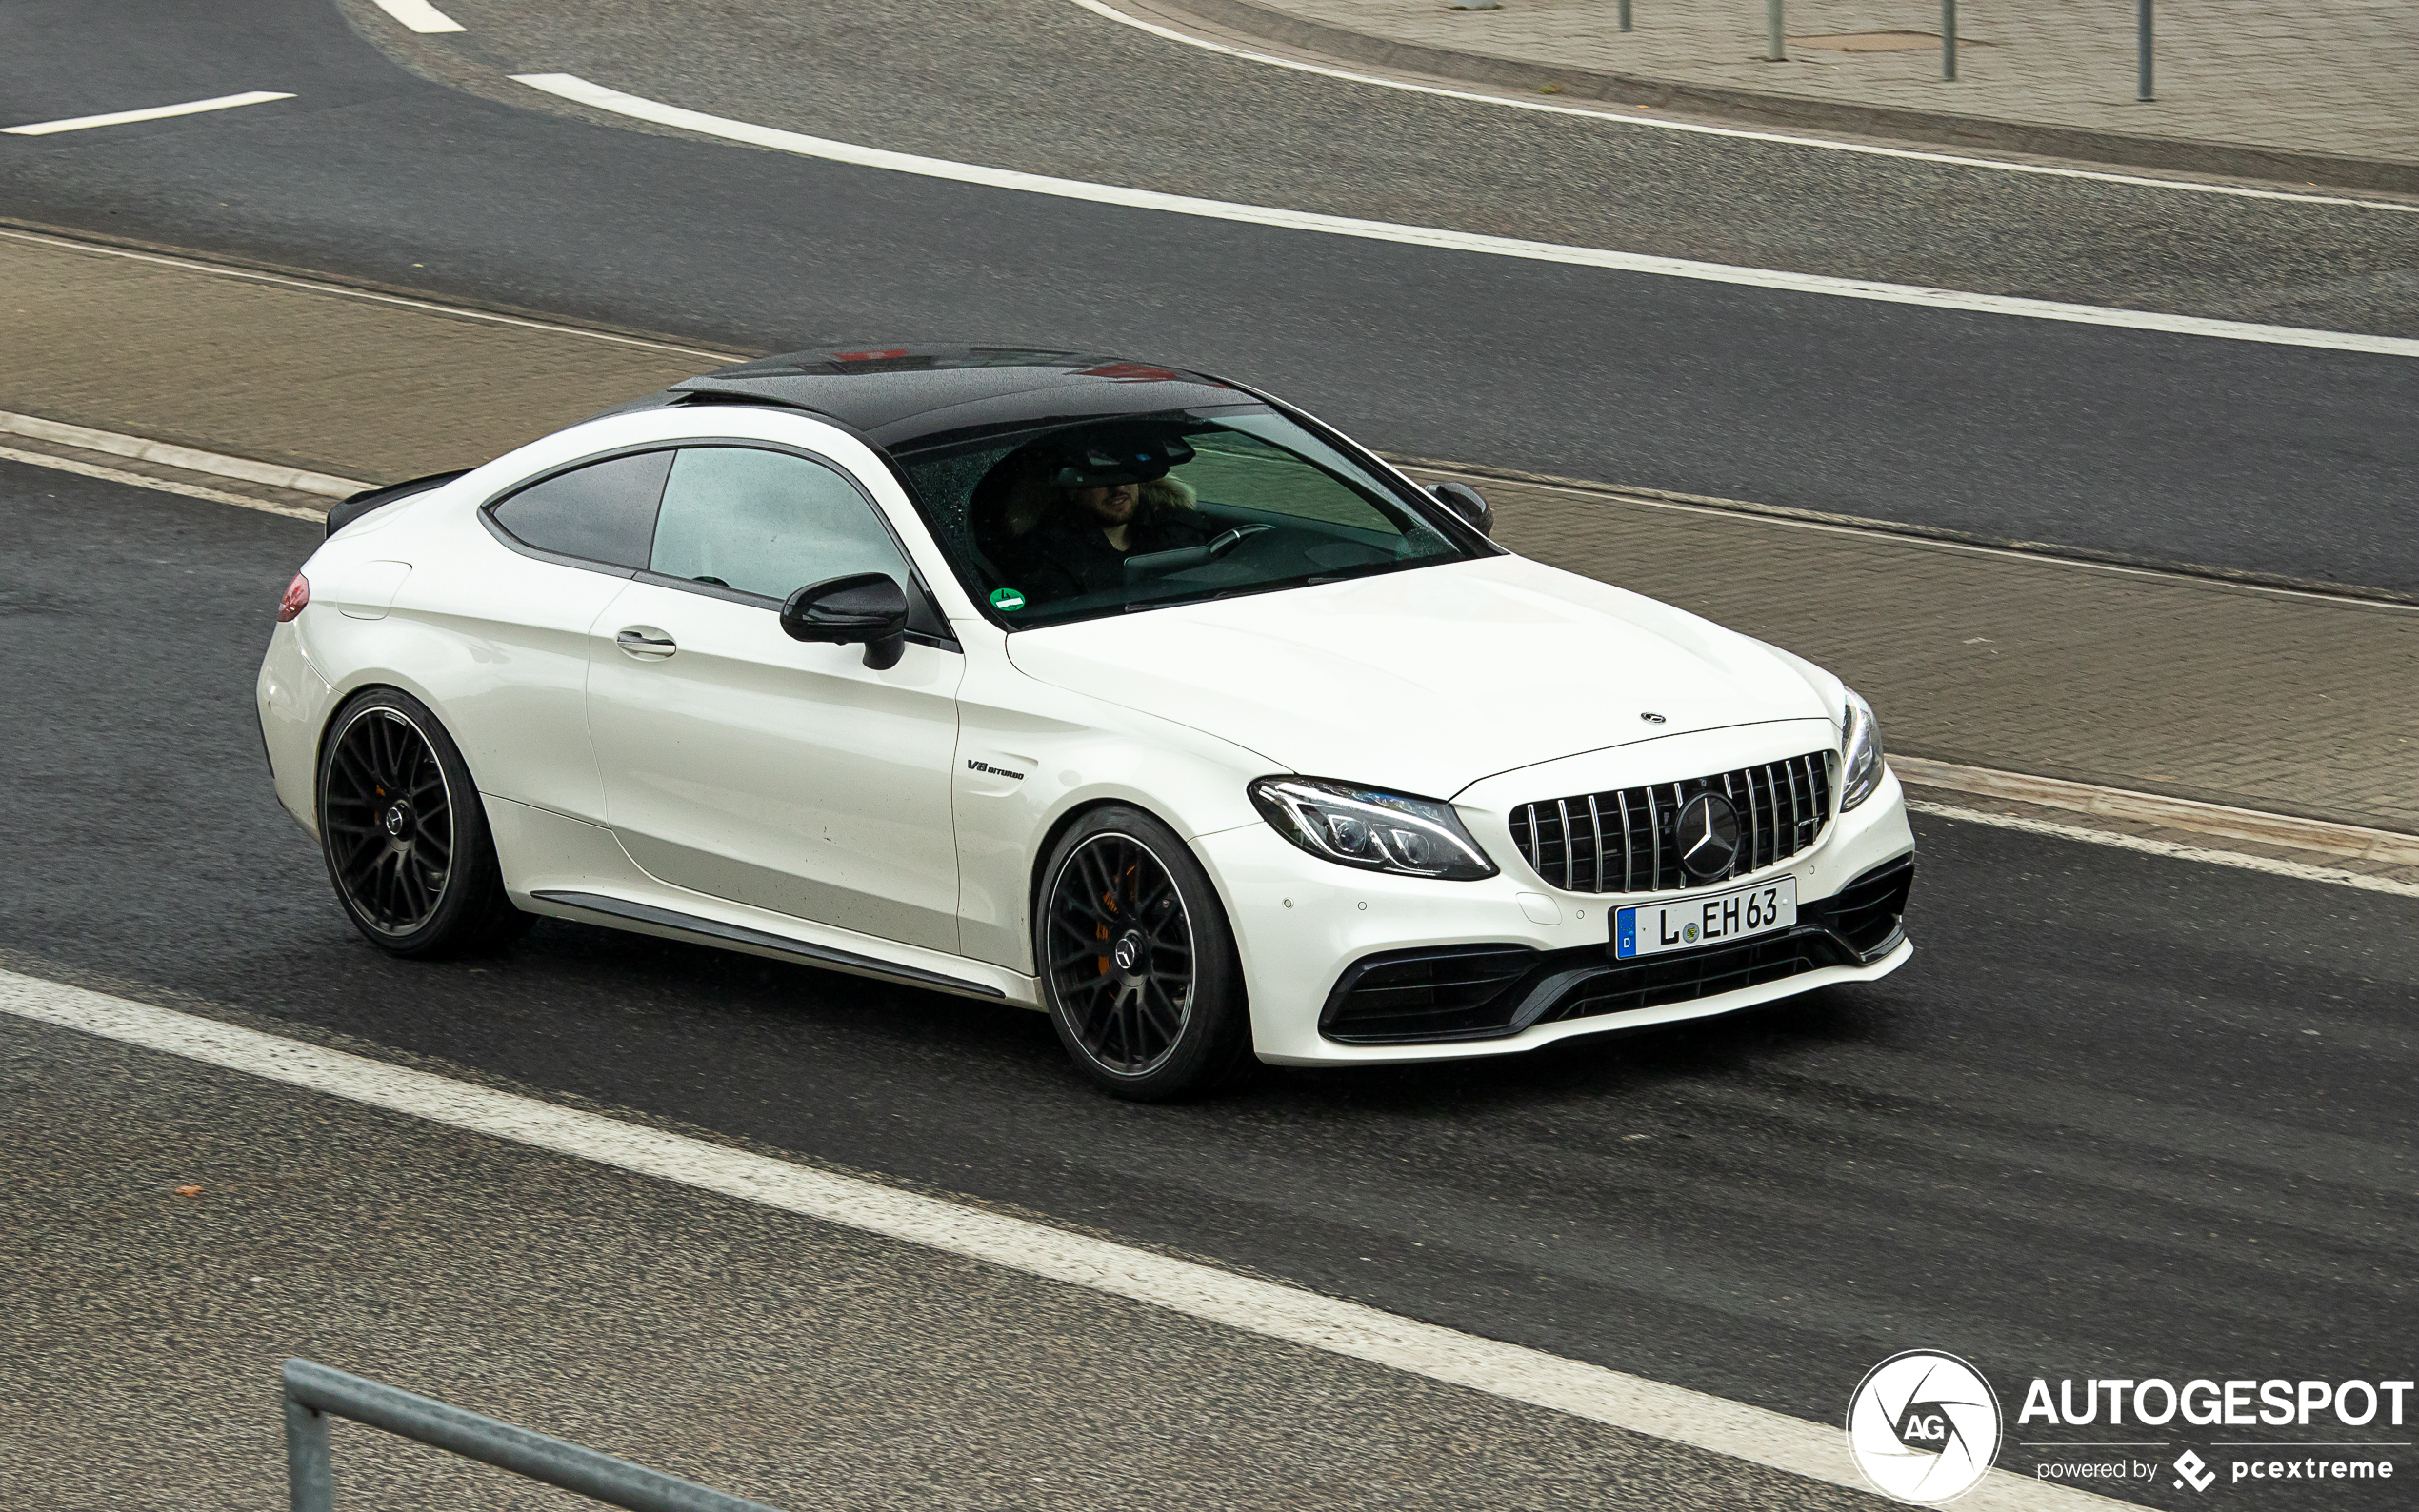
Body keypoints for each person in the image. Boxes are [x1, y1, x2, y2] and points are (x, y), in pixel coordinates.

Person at [993, 430, 1213, 601]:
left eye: (1126, 472)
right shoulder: (1046, 554)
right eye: (1100, 477)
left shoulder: (1174, 527)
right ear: (1072, 488)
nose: (1117, 487)